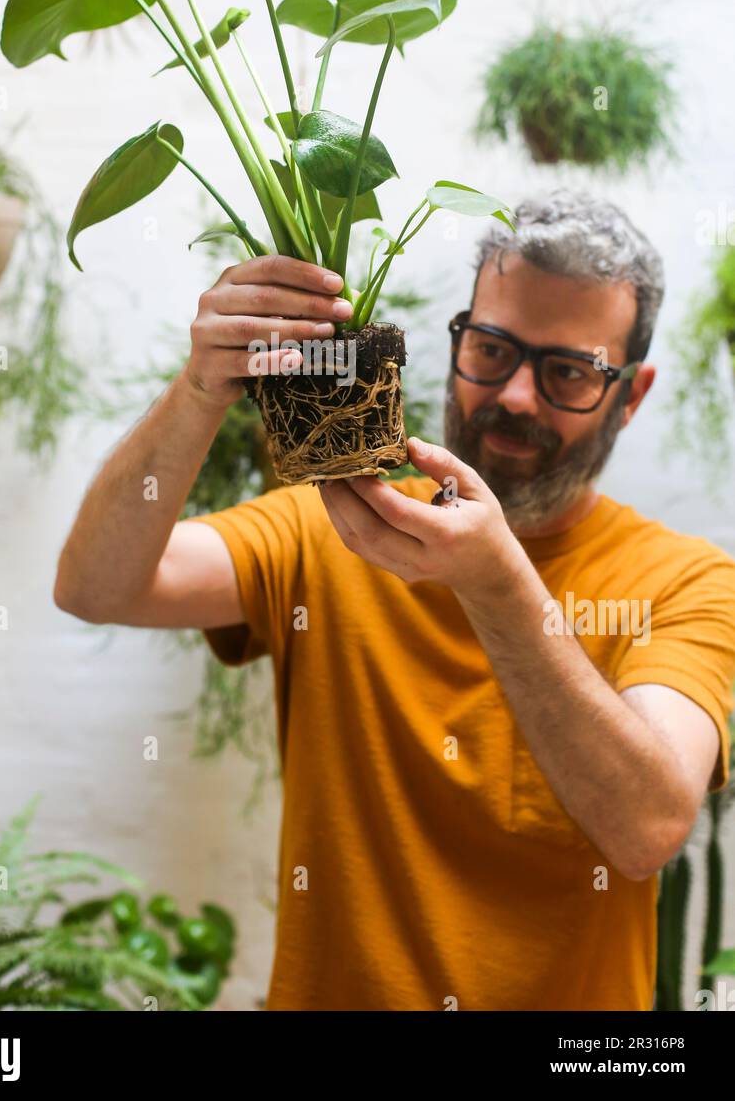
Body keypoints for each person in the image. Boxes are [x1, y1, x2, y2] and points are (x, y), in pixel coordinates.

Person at [54, 189, 735, 1011]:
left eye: (567, 373)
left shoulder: (686, 581)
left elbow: (647, 826)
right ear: (456, 341)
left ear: (630, 394)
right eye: (492, 350)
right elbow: (97, 585)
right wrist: (201, 388)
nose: (517, 397)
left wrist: (497, 586)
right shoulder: (339, 523)